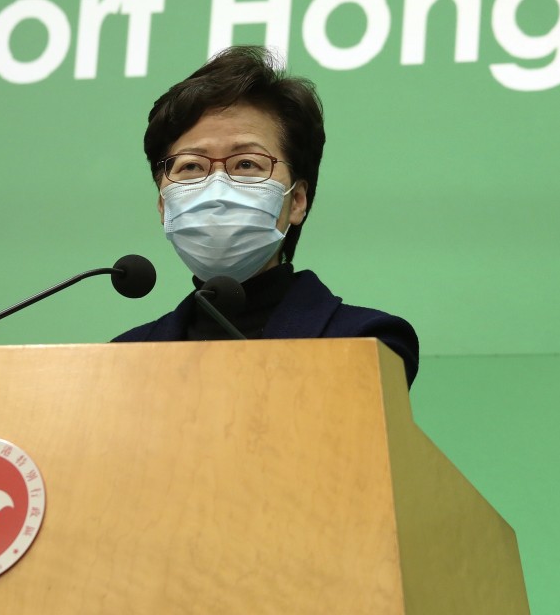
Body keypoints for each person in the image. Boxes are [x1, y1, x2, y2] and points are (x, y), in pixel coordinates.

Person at [112, 45, 419, 387]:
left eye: (246, 164)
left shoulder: (365, 341)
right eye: (192, 166)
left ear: (297, 200)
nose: (217, 188)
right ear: (163, 204)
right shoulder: (119, 361)